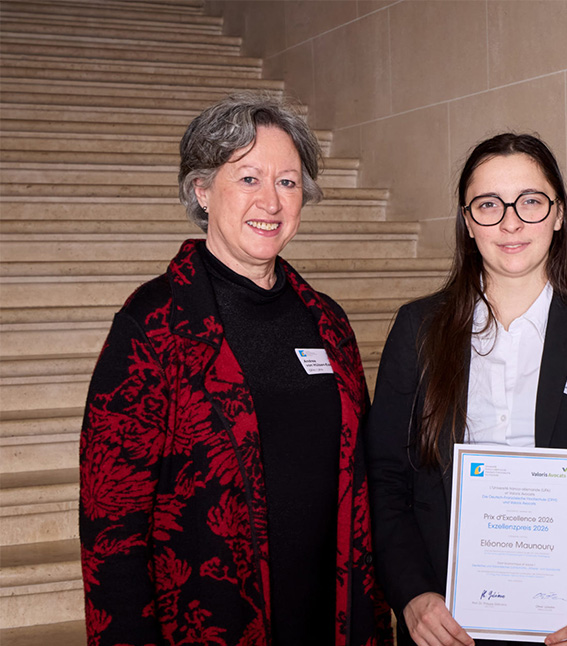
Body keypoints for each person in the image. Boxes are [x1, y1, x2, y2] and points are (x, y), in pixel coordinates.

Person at [79, 93, 391, 646]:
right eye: (248, 178)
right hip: (212, 623)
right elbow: (112, 524)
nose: (270, 201)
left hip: (329, 617)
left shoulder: (327, 322)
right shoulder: (154, 323)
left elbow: (363, 481)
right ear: (202, 189)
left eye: (288, 182)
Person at [365, 133, 567, 646]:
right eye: (488, 205)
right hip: (445, 620)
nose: (511, 222)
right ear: (467, 222)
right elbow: (386, 479)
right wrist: (411, 595)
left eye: (530, 202)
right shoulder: (419, 329)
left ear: (559, 214)